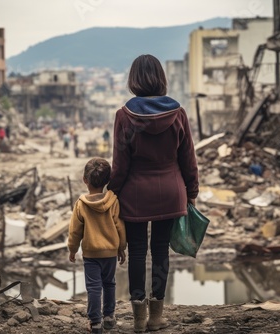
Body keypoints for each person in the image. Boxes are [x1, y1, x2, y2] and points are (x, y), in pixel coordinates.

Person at [108, 54, 199, 333]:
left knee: (137, 252)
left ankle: (138, 319)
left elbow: (120, 164)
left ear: (133, 80)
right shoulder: (178, 113)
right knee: (160, 251)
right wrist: (191, 192)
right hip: (171, 192)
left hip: (134, 195)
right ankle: (157, 316)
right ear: (161, 78)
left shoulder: (124, 116)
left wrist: (112, 193)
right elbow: (188, 159)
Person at [67, 158, 127, 334]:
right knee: (110, 284)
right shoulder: (113, 201)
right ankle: (109, 316)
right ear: (108, 180)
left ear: (85, 179)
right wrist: (121, 247)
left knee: (94, 287)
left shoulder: (81, 204)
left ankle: (95, 323)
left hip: (91, 254)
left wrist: (72, 249)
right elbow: (120, 226)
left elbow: (75, 231)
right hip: (109, 252)